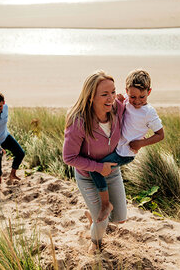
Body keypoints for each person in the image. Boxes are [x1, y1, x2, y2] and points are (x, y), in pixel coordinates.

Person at [62, 71, 141, 253]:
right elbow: (69, 158)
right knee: (102, 220)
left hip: (112, 172)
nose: (111, 98)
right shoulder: (78, 121)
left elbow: (138, 118)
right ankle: (95, 243)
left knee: (120, 218)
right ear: (90, 97)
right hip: (87, 175)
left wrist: (136, 143)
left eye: (113, 92)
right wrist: (98, 167)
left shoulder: (118, 108)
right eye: (104, 94)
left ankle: (92, 214)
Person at [89, 69, 165, 223]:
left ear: (149, 92)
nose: (137, 101)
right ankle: (96, 209)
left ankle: (105, 205)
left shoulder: (149, 112)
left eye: (142, 97)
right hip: (116, 147)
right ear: (126, 92)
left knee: (96, 170)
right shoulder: (126, 102)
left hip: (125, 153)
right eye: (133, 96)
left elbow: (160, 135)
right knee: (99, 170)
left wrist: (141, 143)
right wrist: (119, 98)